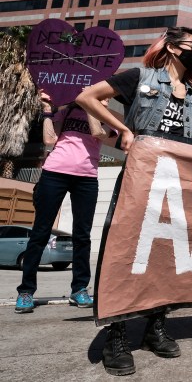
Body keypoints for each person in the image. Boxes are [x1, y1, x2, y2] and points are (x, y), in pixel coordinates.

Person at [77, 26, 192, 376]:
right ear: (171, 48)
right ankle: (117, 334)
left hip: (179, 185)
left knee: (165, 255)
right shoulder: (141, 77)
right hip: (140, 180)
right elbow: (87, 97)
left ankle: (155, 327)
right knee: (125, 251)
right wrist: (123, 129)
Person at [14, 90, 112, 314]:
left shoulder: (107, 119)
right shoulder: (65, 112)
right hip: (54, 174)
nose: (105, 99)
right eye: (102, 96)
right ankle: (26, 291)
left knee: (82, 235)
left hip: (87, 178)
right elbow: (49, 140)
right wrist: (49, 111)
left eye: (105, 97)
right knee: (40, 233)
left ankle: (79, 289)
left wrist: (90, 105)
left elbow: (98, 132)